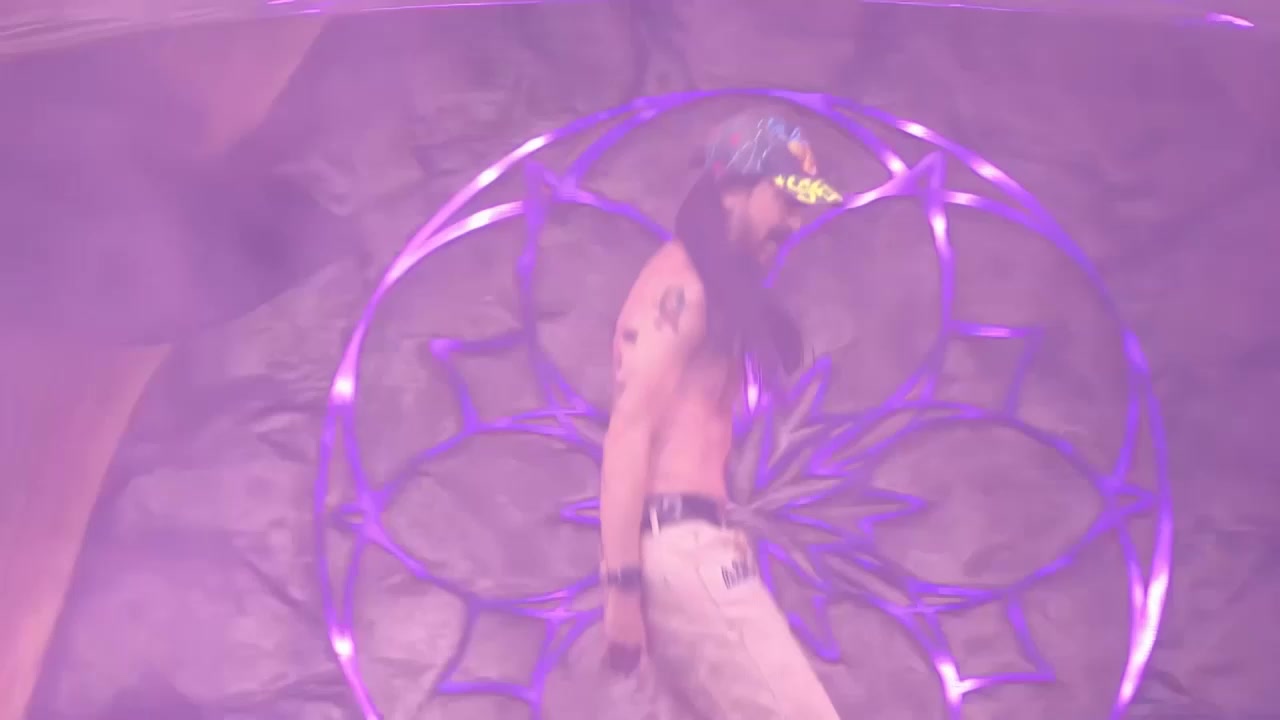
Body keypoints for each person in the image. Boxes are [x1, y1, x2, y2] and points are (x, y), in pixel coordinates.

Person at [597, 113, 845, 719]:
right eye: (785, 200)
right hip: (680, 550)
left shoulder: (706, 285)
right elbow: (628, 433)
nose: (794, 222)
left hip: (695, 547)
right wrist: (621, 588)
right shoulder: (681, 289)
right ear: (733, 188)